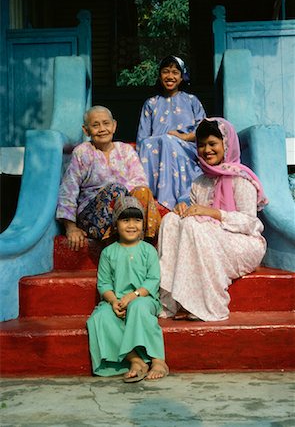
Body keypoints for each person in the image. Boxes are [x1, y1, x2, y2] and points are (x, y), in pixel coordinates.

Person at [158, 117, 268, 321]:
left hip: (244, 242)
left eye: (212, 144)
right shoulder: (200, 182)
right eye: (201, 145)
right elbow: (196, 217)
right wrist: (183, 209)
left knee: (193, 225)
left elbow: (251, 223)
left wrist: (215, 213)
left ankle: (205, 304)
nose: (206, 150)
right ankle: (175, 300)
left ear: (226, 145)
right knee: (171, 221)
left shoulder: (240, 179)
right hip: (209, 237)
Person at [87, 196, 169, 382]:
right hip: (116, 300)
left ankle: (157, 360)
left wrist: (134, 295)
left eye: (137, 220)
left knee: (138, 307)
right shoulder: (108, 253)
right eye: (125, 220)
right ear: (116, 224)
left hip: (144, 298)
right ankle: (135, 360)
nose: (132, 225)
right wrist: (114, 301)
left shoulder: (148, 250)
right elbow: (104, 284)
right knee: (100, 317)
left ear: (143, 223)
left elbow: (153, 280)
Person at [56, 105, 161, 250]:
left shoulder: (125, 150)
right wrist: (70, 227)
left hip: (125, 212)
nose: (102, 129)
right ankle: (115, 245)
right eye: (95, 125)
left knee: (142, 191)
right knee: (115, 189)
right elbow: (69, 188)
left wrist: (122, 202)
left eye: (106, 123)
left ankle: (144, 244)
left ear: (114, 126)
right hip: (93, 217)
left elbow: (140, 181)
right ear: (86, 130)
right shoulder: (82, 152)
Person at [136, 55, 206, 210]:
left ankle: (173, 200)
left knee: (168, 141)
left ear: (182, 78)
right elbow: (143, 138)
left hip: (186, 149)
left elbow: (204, 130)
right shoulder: (151, 103)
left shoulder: (191, 100)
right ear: (160, 76)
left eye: (175, 72)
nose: (170, 76)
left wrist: (184, 136)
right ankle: (148, 193)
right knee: (150, 144)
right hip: (156, 152)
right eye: (166, 71)